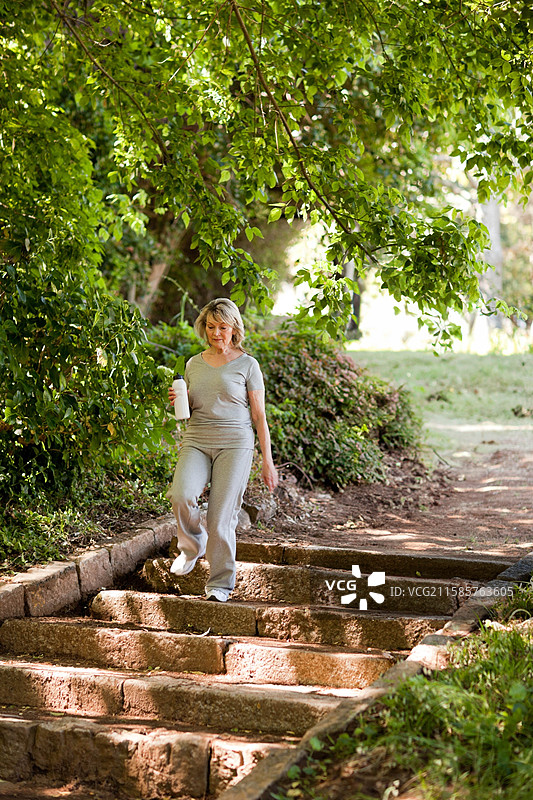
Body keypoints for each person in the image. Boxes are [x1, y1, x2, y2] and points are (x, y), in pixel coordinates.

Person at [167, 298, 278, 602]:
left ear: (234, 329)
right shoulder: (193, 364)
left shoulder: (248, 365)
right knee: (181, 494)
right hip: (197, 439)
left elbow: (259, 416)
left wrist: (267, 461)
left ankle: (220, 582)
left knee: (219, 518)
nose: (216, 333)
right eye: (211, 326)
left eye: (223, 327)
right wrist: (178, 400)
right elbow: (186, 410)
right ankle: (192, 547)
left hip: (235, 444)